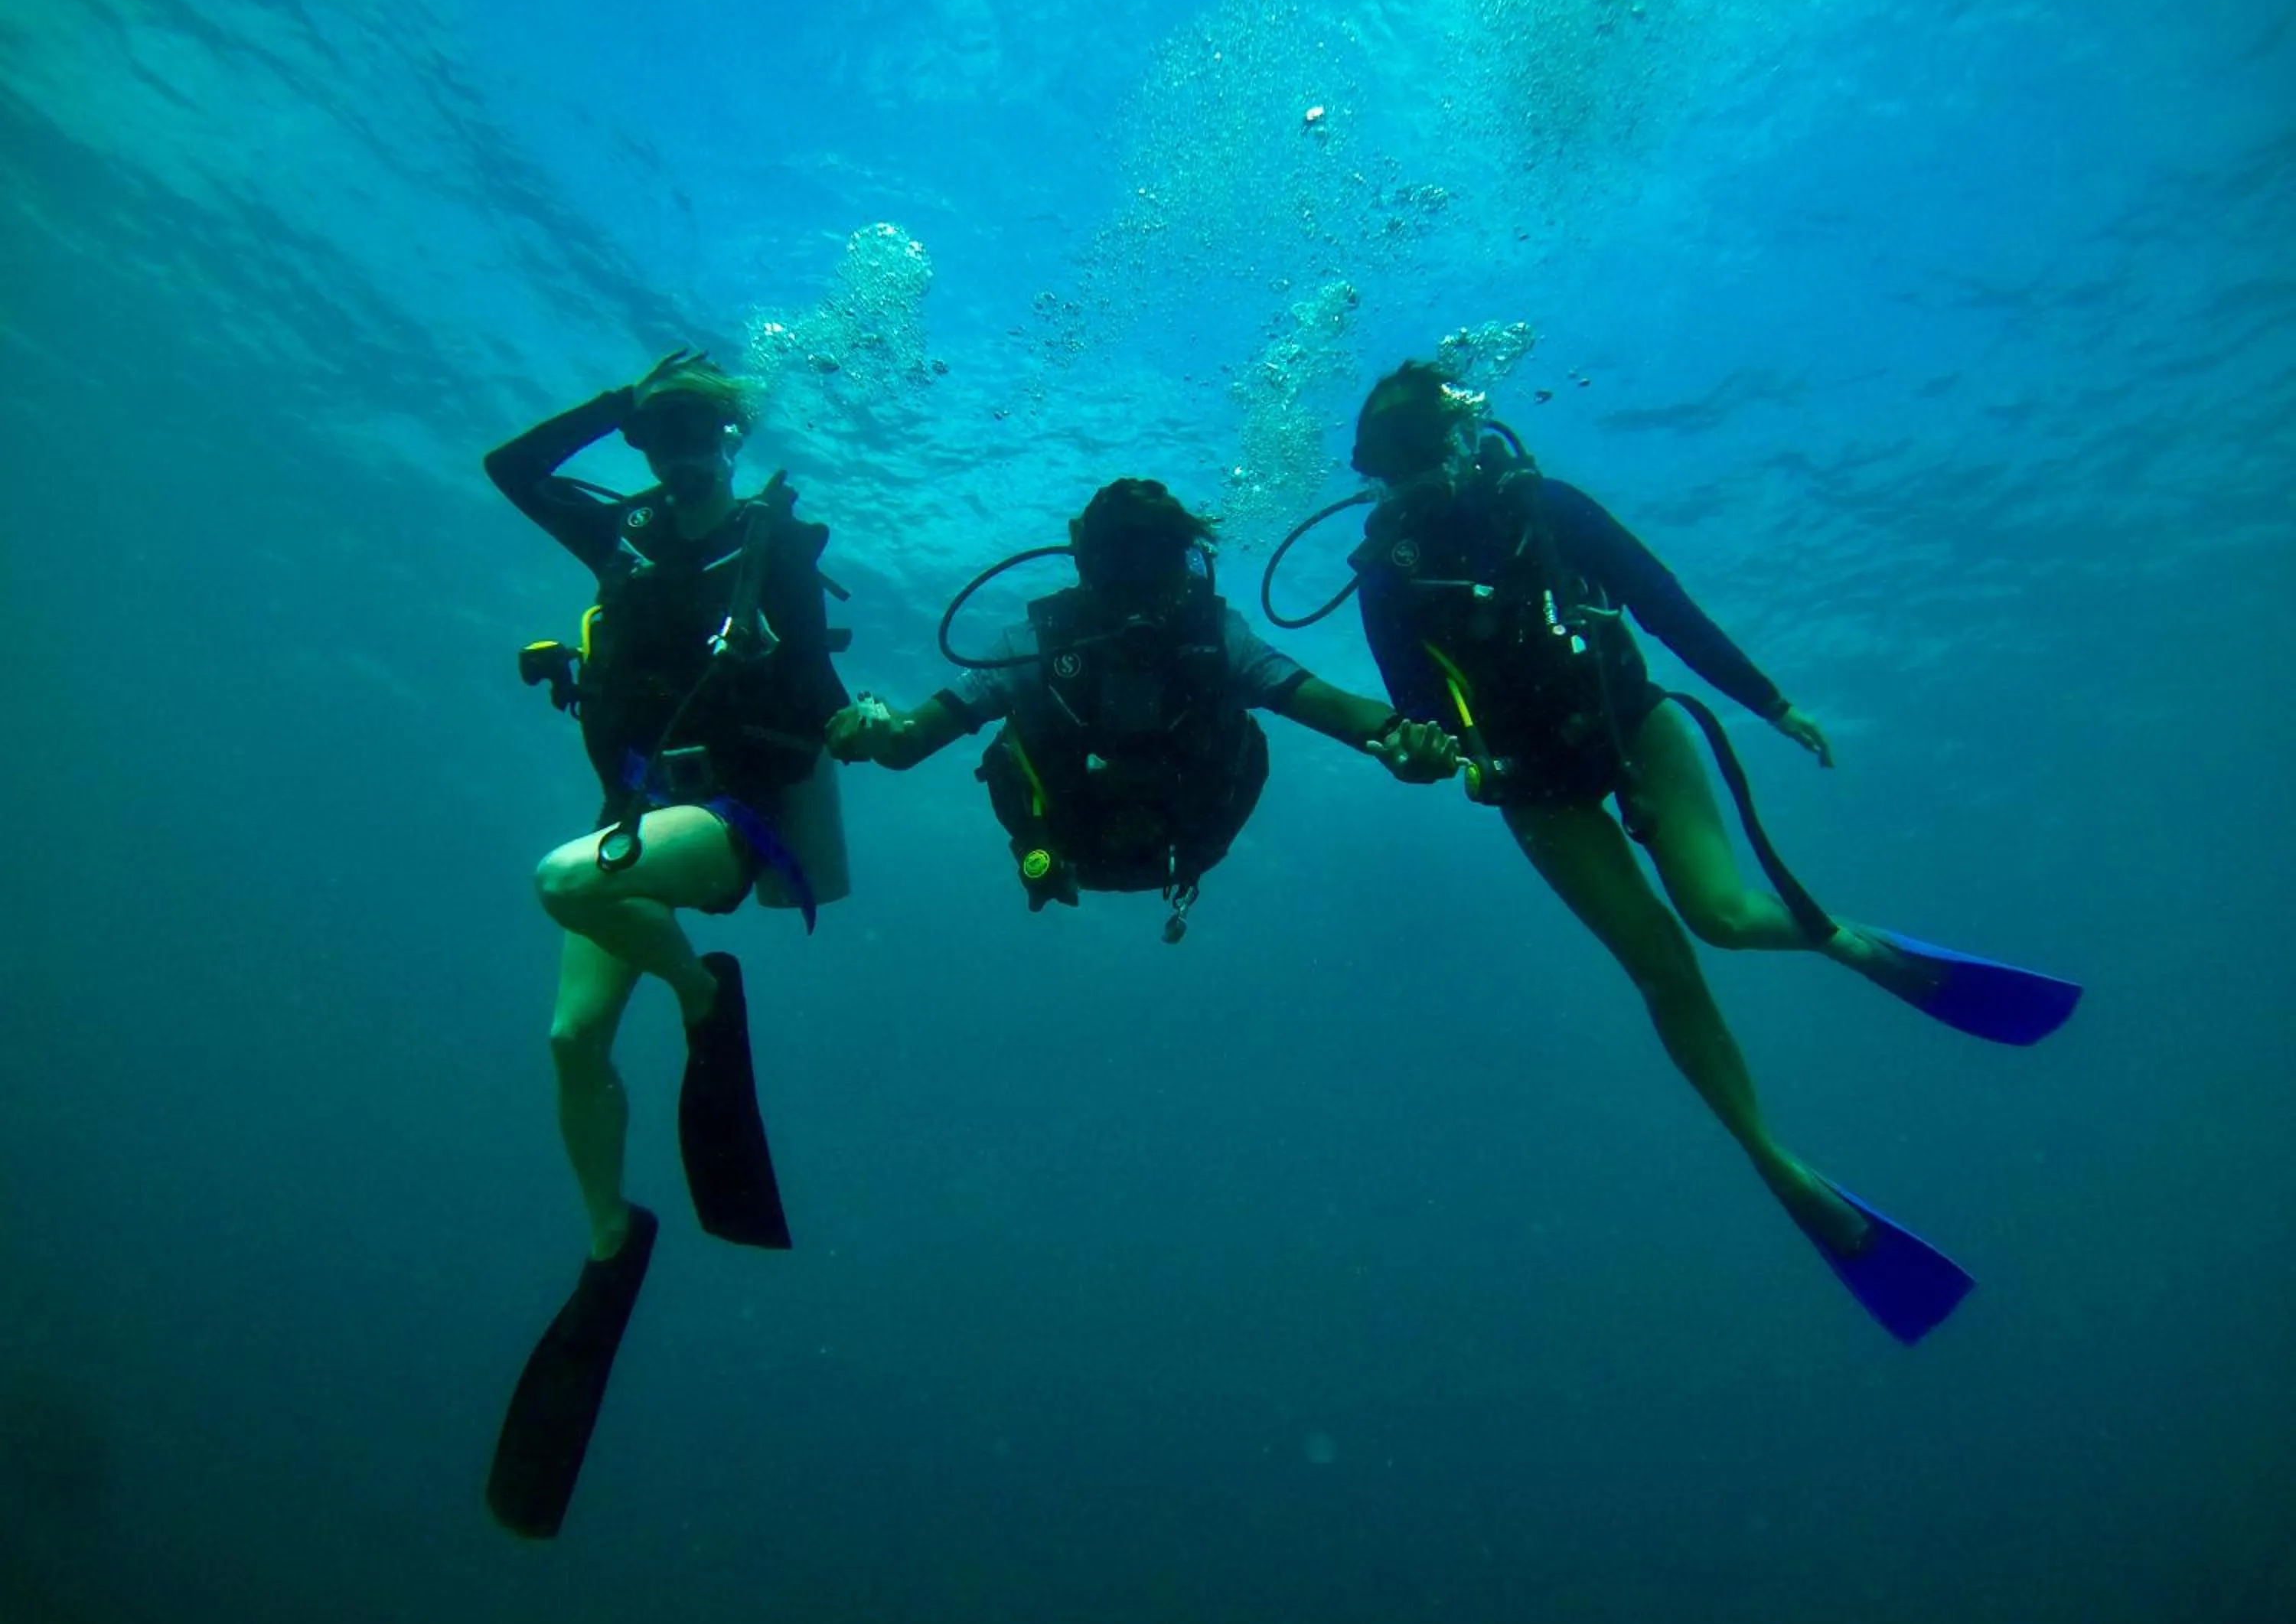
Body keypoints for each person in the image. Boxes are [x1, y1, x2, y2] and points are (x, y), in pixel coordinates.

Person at [1278, 360, 2080, 1342]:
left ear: (1458, 441)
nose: (1412, 476)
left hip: (1633, 726)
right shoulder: (1388, 575)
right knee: (1661, 966)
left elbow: (1662, 603)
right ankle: (1776, 1162)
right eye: (1391, 462)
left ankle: (1847, 941)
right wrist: (1428, 756)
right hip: (1535, 790)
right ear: (1377, 474)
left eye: (1418, 450)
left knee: (1723, 917)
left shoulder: (1547, 507)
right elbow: (1416, 710)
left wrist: (1771, 700)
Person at [478, 350, 853, 1537]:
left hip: (729, 819)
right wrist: (614, 401)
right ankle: (606, 1233)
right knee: (570, 1037)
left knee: (555, 880)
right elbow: (511, 468)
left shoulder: (771, 546)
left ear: (733, 440)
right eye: (660, 434)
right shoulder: (624, 535)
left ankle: (700, 993)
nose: (678, 452)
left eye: (699, 430)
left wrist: (774, 658)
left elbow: (822, 703)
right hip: (634, 823)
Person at [827, 478, 1458, 938]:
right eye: (1116, 564)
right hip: (1063, 844)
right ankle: (1039, 853)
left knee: (1250, 736)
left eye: (1154, 567)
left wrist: (1401, 739)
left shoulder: (1217, 642)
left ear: (1184, 570)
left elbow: (1334, 706)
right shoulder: (1037, 645)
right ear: (1083, 559)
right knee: (1012, 745)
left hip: (1187, 839)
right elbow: (910, 739)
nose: (1135, 593)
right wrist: (877, 725)